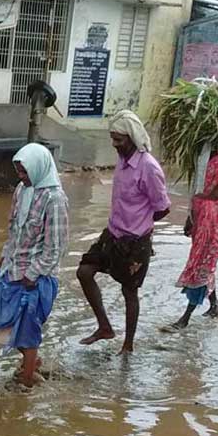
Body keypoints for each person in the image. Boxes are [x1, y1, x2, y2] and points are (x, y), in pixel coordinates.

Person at [77, 110, 171, 354]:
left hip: (135, 241)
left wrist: (140, 225)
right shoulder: (122, 160)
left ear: (132, 138)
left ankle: (128, 345)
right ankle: (105, 327)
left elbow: (163, 208)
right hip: (113, 233)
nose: (114, 144)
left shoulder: (148, 167)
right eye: (112, 138)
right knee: (84, 271)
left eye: (119, 139)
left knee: (129, 291)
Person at [0, 143, 69, 389]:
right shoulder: (22, 191)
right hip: (13, 268)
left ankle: (26, 381)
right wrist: (5, 255)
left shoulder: (55, 199)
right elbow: (13, 228)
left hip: (37, 277)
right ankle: (32, 363)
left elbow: (56, 247)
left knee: (27, 332)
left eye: (25, 172)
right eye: (19, 172)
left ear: (38, 168)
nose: (21, 178)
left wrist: (33, 274)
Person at [165, 127, 218, 331]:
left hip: (217, 215)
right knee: (204, 259)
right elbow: (198, 187)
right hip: (201, 212)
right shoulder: (205, 152)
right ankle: (215, 306)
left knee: (202, 262)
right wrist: (190, 217)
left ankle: (185, 317)